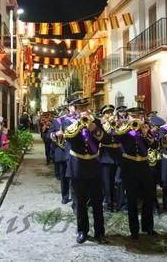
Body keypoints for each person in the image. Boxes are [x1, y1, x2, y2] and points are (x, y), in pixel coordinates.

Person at [63, 97, 105, 244]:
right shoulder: (68, 122)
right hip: (78, 166)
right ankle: (82, 231)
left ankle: (100, 231)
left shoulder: (96, 122)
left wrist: (93, 127)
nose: (83, 111)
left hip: (94, 164)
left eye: (85, 108)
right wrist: (80, 124)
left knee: (97, 201)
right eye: (80, 109)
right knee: (80, 201)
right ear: (75, 109)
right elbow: (69, 139)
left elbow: (102, 138)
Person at [115, 107, 157, 239]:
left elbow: (155, 146)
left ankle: (148, 227)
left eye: (139, 115)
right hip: (130, 167)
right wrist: (128, 128)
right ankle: (134, 230)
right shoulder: (125, 130)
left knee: (148, 198)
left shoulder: (145, 129)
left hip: (144, 167)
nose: (138, 118)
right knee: (132, 200)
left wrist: (146, 134)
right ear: (130, 116)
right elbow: (116, 139)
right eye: (135, 116)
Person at [99, 104, 118, 212]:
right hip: (105, 155)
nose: (110, 114)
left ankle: (117, 201)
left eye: (111, 112)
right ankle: (108, 203)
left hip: (116, 155)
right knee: (107, 182)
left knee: (117, 180)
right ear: (103, 115)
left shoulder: (116, 122)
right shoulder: (101, 124)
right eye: (107, 113)